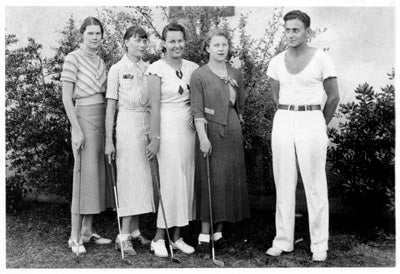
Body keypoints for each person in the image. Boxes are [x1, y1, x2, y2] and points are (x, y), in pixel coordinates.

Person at [265, 10, 340, 262]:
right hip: (284, 119)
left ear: (306, 31)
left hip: (312, 120)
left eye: (295, 30)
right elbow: (277, 97)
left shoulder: (321, 59)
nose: (290, 34)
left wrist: (320, 122)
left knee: (315, 184)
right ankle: (283, 240)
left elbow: (334, 96)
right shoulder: (276, 61)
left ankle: (319, 244)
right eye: (287, 29)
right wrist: (290, 115)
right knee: (283, 182)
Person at [190, 28, 250, 252]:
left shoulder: (235, 73)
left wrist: (236, 123)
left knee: (226, 179)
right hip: (210, 130)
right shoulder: (199, 75)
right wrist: (203, 137)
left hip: (232, 130)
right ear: (207, 48)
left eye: (224, 45)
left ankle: (219, 230)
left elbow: (240, 104)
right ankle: (205, 231)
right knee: (211, 180)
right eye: (216, 45)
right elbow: (197, 110)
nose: (221, 49)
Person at [145, 23, 199, 257]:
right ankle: (158, 237)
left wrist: (196, 120)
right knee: (170, 181)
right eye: (172, 41)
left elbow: (197, 101)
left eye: (180, 40)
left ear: (184, 41)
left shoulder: (193, 68)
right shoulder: (155, 68)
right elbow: (154, 107)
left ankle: (176, 236)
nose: (176, 45)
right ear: (164, 43)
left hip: (188, 131)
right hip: (166, 130)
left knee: (185, 180)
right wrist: (154, 138)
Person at [61, 16, 113, 255]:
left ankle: (87, 230)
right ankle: (74, 236)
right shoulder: (72, 59)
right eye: (90, 33)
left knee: (97, 178)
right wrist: (77, 129)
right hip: (84, 119)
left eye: (98, 34)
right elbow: (66, 98)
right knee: (82, 178)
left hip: (102, 118)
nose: (95, 38)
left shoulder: (101, 61)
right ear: (82, 34)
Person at [105, 26, 155, 256]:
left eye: (145, 40)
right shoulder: (116, 69)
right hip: (126, 123)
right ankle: (122, 235)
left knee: (142, 179)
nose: (142, 44)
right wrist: (109, 140)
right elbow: (111, 107)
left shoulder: (149, 68)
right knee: (129, 178)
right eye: (137, 40)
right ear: (126, 42)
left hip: (145, 122)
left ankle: (134, 231)